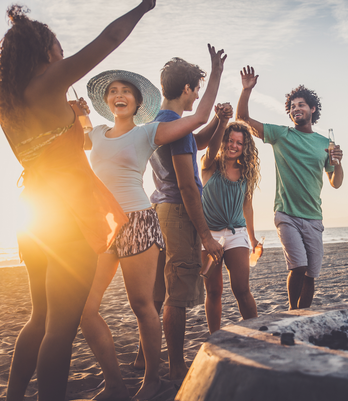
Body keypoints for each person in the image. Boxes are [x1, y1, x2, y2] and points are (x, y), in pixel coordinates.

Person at [0, 2, 155, 400]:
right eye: (57, 45)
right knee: (60, 330)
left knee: (38, 318)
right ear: (43, 51)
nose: (62, 52)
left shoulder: (9, 101)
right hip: (69, 219)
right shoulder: (47, 82)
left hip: (34, 219)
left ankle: (13, 396)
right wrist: (144, 6)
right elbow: (109, 39)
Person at [80, 46, 225, 401]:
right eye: (113, 91)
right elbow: (63, 141)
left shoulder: (149, 132)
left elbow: (199, 119)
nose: (119, 95)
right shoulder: (95, 132)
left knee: (143, 304)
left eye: (126, 91)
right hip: (102, 225)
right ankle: (113, 383)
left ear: (137, 100)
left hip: (139, 221)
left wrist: (216, 73)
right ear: (106, 100)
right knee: (85, 308)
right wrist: (74, 114)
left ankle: (152, 380)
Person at [133, 57, 226, 382]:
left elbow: (195, 142)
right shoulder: (178, 125)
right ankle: (174, 367)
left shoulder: (161, 122)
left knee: (158, 290)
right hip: (178, 213)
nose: (197, 97)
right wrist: (205, 235)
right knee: (177, 292)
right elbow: (188, 185)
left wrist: (218, 121)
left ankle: (142, 357)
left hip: (158, 210)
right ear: (186, 88)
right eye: (196, 90)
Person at [236, 66, 344, 310]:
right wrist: (246, 90)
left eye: (301, 104)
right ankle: (291, 312)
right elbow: (242, 119)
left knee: (311, 274)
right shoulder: (281, 135)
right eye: (293, 106)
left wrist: (338, 163)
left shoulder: (325, 144)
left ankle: (301, 315)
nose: (297, 108)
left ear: (312, 109)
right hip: (286, 214)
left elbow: (336, 182)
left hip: (314, 217)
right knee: (299, 266)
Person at [200, 118, 261, 333]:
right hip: (209, 235)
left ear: (245, 147)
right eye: (230, 140)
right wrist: (221, 121)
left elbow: (248, 206)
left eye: (239, 143)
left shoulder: (246, 172)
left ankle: (255, 333)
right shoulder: (209, 165)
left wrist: (252, 238)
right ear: (223, 141)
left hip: (237, 233)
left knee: (241, 289)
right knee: (214, 290)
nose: (234, 146)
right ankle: (214, 336)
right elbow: (209, 150)